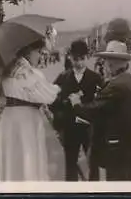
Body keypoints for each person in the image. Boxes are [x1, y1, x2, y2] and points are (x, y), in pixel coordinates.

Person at [69, 40, 131, 181]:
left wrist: (76, 104)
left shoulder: (116, 85)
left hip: (119, 147)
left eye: (105, 61)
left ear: (111, 63)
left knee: (116, 185)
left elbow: (95, 110)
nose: (103, 65)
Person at [0, 38, 61, 181]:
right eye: (38, 52)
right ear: (28, 51)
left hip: (9, 117)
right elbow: (48, 95)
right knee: (29, 156)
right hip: (27, 118)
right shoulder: (30, 73)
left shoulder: (8, 70)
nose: (40, 56)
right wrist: (59, 88)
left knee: (13, 158)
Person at [50, 40, 103, 181]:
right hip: (70, 127)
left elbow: (101, 103)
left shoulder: (96, 78)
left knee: (93, 163)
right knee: (70, 163)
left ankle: (94, 190)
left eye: (82, 59)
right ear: (70, 58)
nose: (79, 63)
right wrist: (66, 101)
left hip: (89, 127)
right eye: (75, 59)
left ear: (87, 57)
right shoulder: (63, 77)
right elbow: (52, 102)